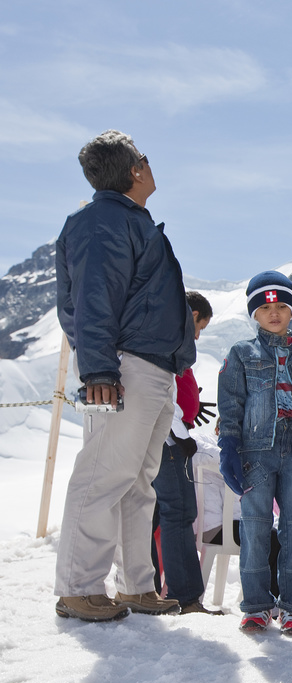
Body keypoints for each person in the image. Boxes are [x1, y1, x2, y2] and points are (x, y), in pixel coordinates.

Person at [53, 130, 197, 622]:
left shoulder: (126, 220)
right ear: (134, 169)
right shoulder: (102, 221)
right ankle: (78, 587)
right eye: (146, 159)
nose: (151, 166)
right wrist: (99, 369)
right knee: (103, 476)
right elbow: (94, 299)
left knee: (138, 483)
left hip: (151, 367)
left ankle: (136, 585)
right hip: (123, 364)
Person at [217, 271, 292, 634]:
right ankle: (256, 606)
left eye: (282, 306)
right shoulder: (241, 354)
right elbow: (231, 405)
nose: (274, 312)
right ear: (255, 312)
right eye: (266, 307)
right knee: (254, 528)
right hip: (256, 451)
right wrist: (228, 449)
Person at [152, 291, 218, 614]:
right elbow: (163, 390)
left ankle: (149, 590)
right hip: (169, 441)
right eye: (200, 327)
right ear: (193, 316)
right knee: (179, 513)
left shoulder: (162, 333)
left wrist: (191, 406)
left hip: (167, 434)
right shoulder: (173, 339)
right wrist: (180, 434)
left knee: (150, 516)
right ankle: (185, 595)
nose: (198, 335)